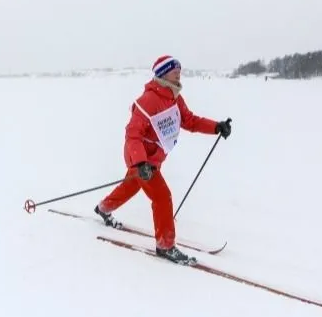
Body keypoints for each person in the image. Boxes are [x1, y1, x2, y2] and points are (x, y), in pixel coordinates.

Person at [94, 55, 231, 264]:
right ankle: (165, 246)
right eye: (173, 69)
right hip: (140, 158)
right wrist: (140, 163)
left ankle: (103, 208)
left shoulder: (174, 97)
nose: (178, 72)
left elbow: (190, 121)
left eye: (179, 69)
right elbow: (133, 134)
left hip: (153, 159)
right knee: (162, 197)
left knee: (131, 186)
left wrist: (216, 127)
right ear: (162, 73)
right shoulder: (148, 100)